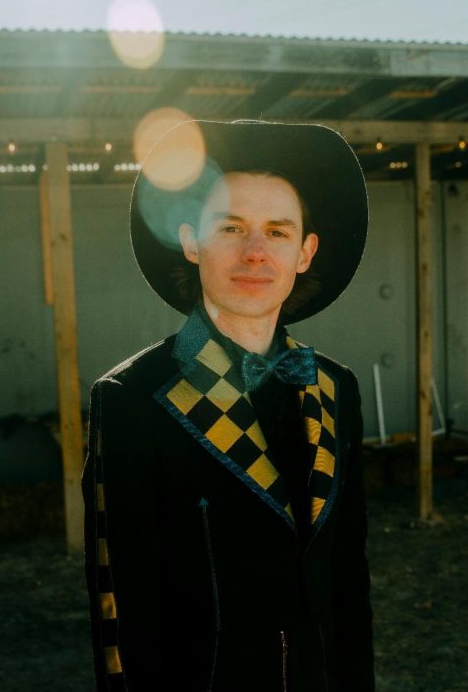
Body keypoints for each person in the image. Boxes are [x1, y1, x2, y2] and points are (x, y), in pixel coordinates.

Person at [82, 120, 374, 691]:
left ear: (305, 252)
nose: (255, 252)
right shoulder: (130, 399)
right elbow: (122, 606)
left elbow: (349, 577)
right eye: (231, 227)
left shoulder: (336, 387)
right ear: (191, 242)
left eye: (278, 232)